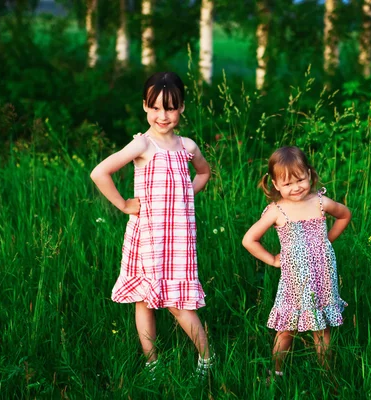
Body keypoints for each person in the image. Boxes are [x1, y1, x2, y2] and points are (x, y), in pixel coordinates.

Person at [90, 72, 214, 378]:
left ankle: (207, 359)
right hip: (147, 235)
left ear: (182, 107)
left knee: (177, 301)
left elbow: (203, 173)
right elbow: (100, 172)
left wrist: (183, 196)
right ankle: (152, 363)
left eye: (170, 108)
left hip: (178, 238)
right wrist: (123, 204)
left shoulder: (187, 146)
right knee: (144, 300)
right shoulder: (142, 145)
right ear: (145, 107)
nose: (163, 115)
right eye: (155, 108)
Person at [242, 146, 351, 378]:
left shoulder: (321, 202)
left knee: (321, 327)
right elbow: (249, 240)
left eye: (300, 179)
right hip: (295, 278)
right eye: (287, 183)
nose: (295, 188)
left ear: (310, 175)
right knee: (286, 327)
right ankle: (277, 371)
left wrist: (326, 241)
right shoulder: (276, 210)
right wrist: (271, 259)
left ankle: (326, 374)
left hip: (323, 274)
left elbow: (345, 214)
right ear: (275, 184)